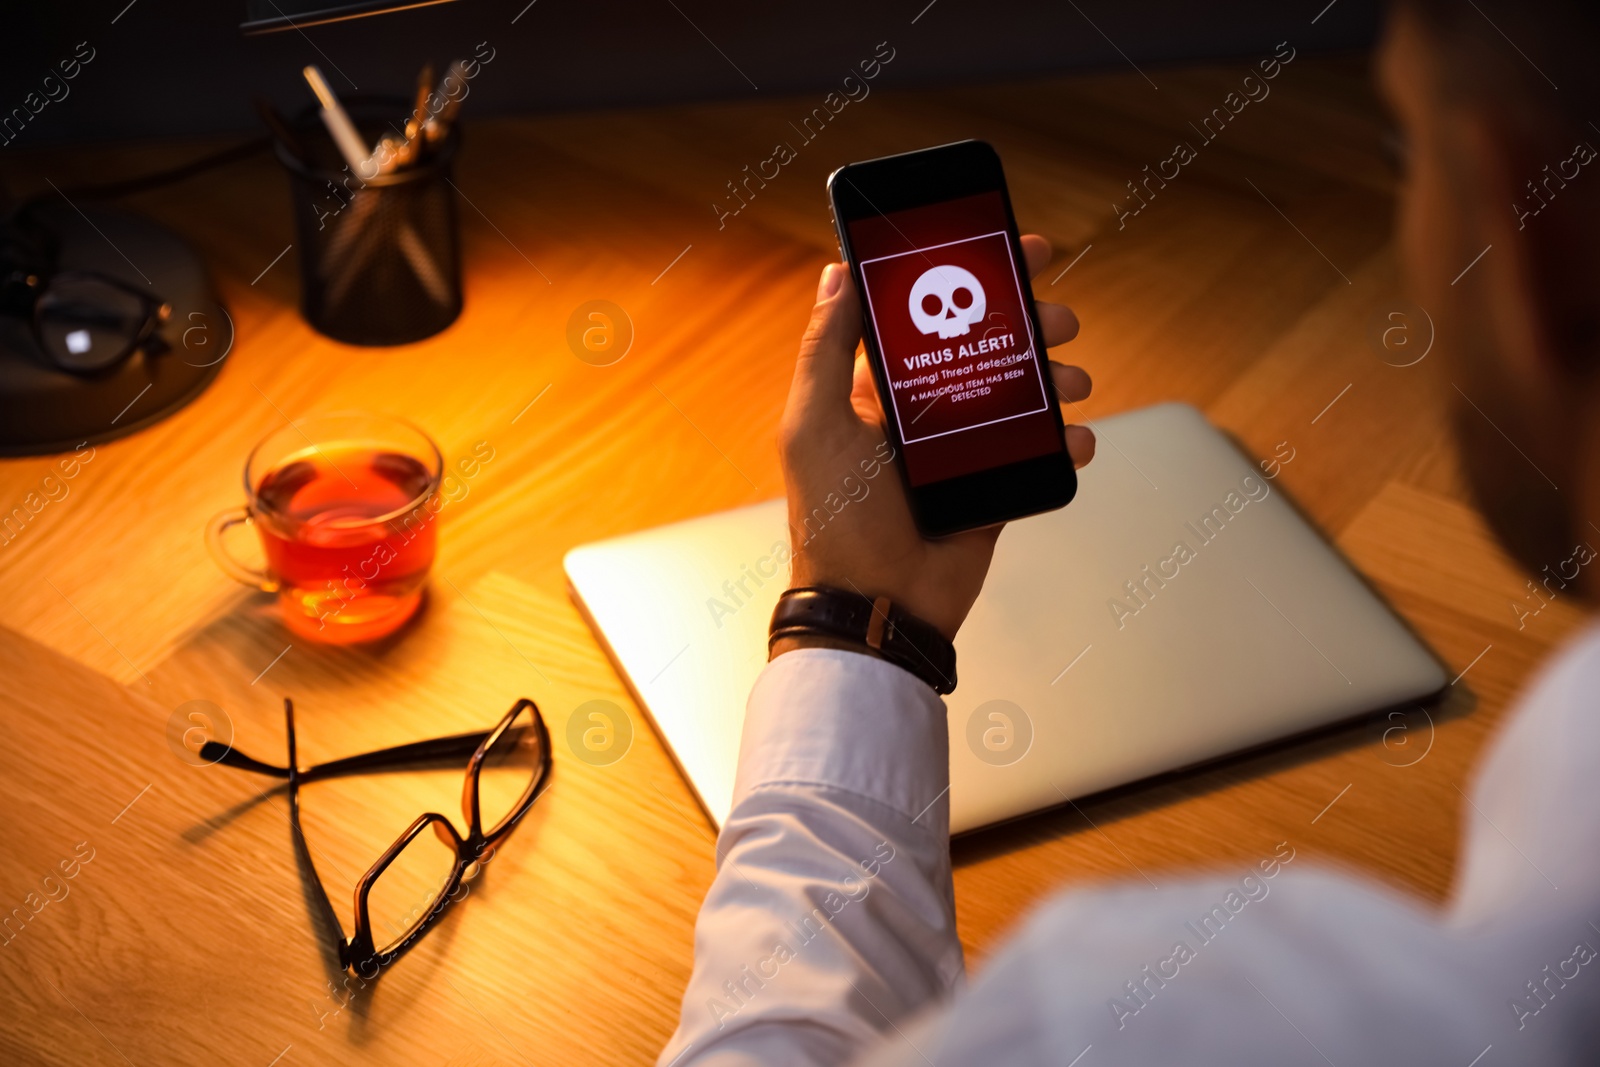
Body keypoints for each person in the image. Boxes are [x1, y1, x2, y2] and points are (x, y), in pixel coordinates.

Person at [659, 0, 1600, 1062]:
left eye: (1402, 150)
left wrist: (843, 624)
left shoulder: (1140, 1021)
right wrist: (889, 611)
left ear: (1536, 231)